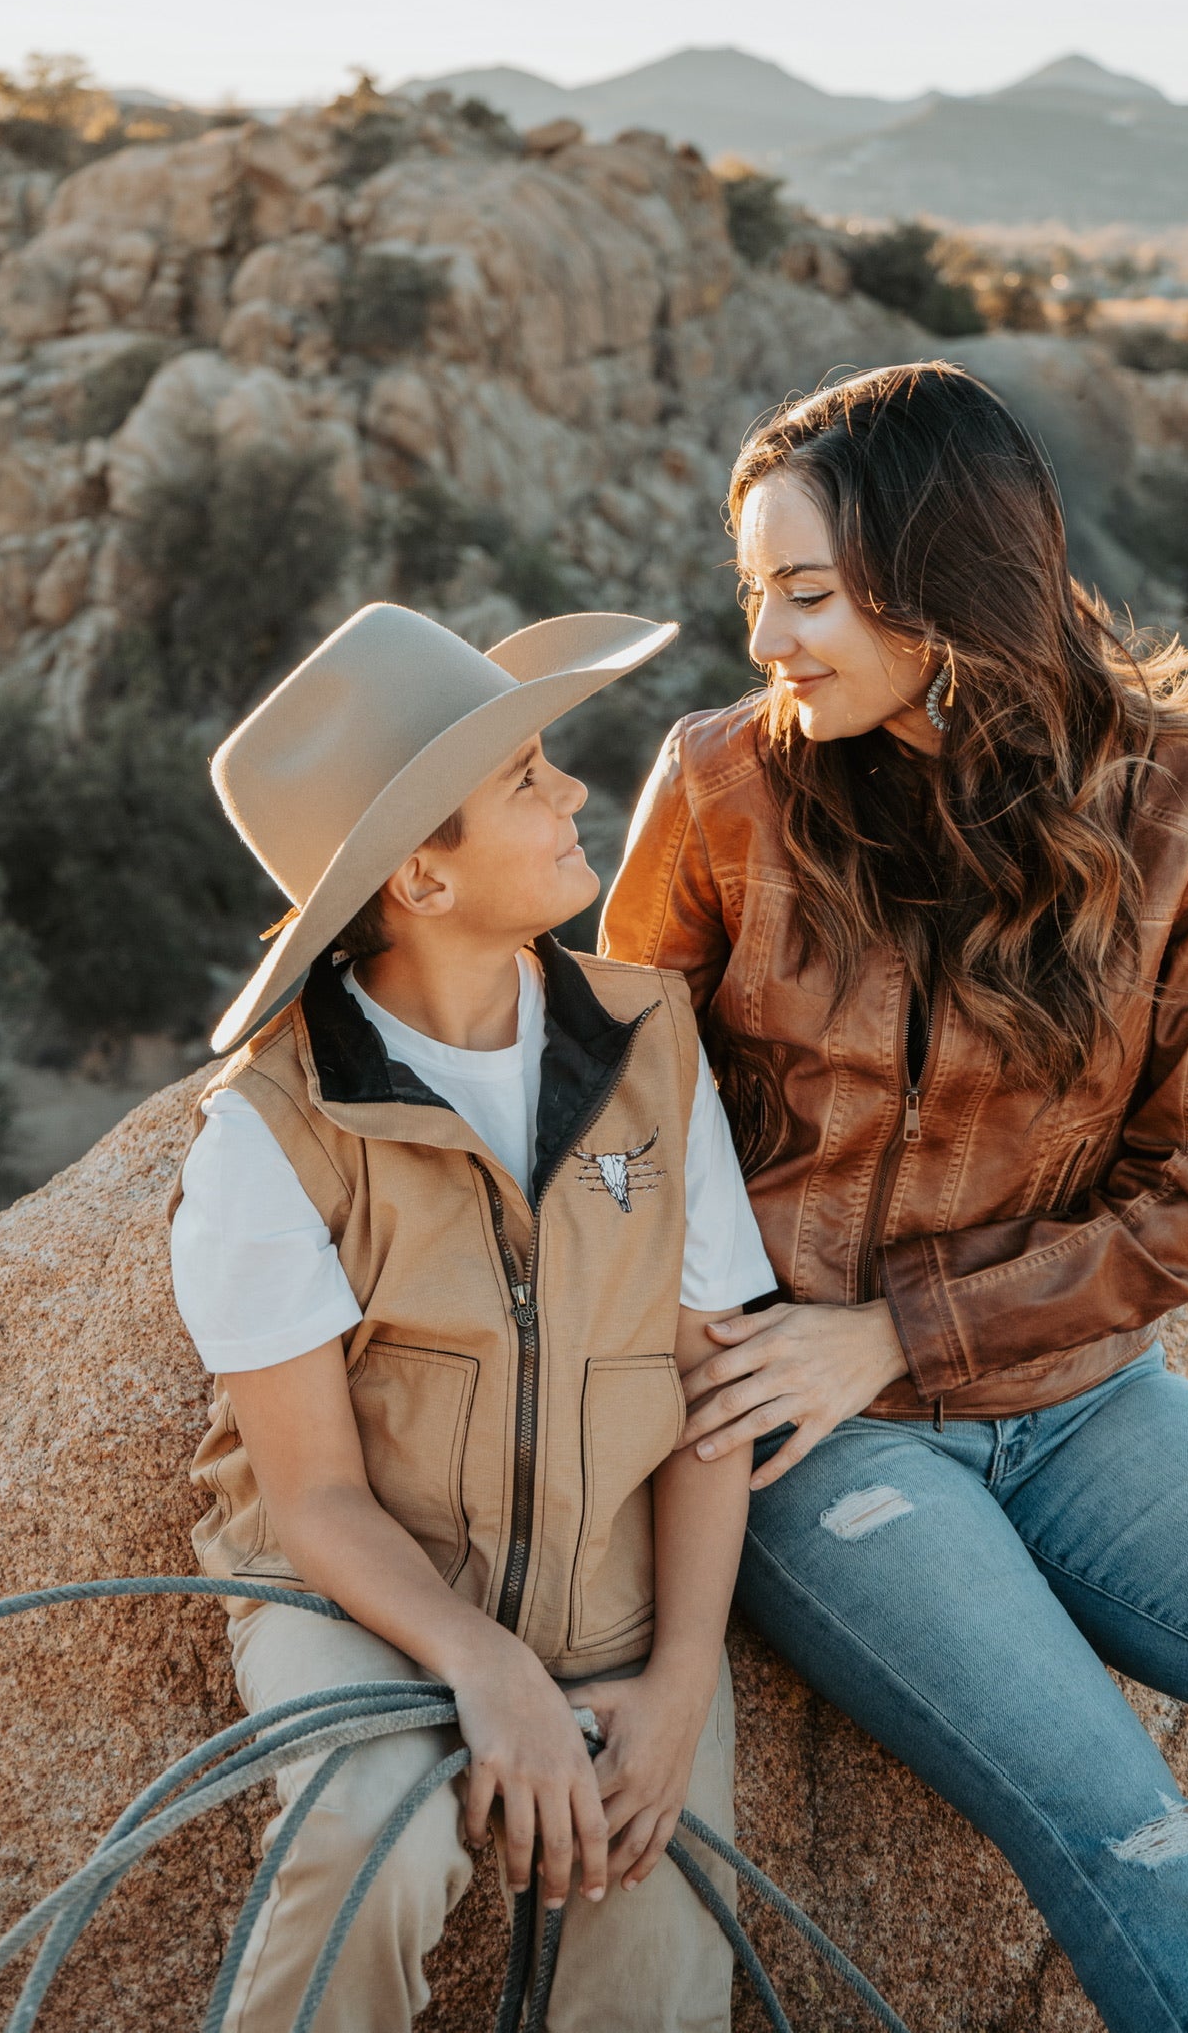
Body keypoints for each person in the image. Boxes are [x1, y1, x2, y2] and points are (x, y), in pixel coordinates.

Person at [601, 362, 1188, 2032]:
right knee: (1138, 1836)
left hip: (1083, 1406)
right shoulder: (722, 786)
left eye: (805, 595)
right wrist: (760, 1352)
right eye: (753, 593)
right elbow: (615, 1129)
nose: (767, 642)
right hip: (819, 1437)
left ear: (946, 582)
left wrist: (898, 1330)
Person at [169, 601, 777, 2033]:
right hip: (364, 1601)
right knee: (367, 1839)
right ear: (422, 883)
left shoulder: (653, 1045)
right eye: (526, 782)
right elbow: (311, 1494)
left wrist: (683, 1676)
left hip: (620, 1606)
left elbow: (713, 1389)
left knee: (659, 1938)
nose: (574, 793)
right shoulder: (273, 1133)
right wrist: (485, 1667)